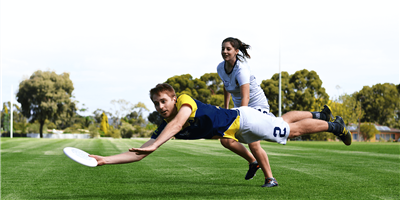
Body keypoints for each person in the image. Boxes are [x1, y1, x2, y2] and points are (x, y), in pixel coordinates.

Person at [90, 83, 352, 188]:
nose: (160, 107)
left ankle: (335, 127)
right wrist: (105, 160)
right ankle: (319, 116)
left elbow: (179, 124)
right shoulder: (163, 125)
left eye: (163, 101)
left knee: (290, 131)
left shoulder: (184, 101)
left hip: (244, 120)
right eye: (156, 104)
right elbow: (137, 154)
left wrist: (157, 144)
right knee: (282, 122)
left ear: (172, 97)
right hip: (236, 126)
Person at [217, 37, 276, 186]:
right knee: (225, 139)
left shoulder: (241, 69)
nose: (224, 51)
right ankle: (253, 162)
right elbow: (226, 85)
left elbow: (246, 96)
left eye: (228, 49)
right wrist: (226, 108)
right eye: (223, 48)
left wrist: (242, 116)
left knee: (254, 144)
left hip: (256, 106)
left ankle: (270, 179)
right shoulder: (220, 68)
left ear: (236, 51)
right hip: (240, 107)